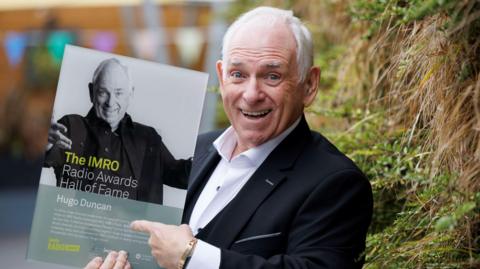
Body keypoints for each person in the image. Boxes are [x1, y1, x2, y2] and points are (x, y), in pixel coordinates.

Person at [85, 6, 373, 269]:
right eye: (238, 74)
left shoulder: (336, 183)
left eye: (272, 76)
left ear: (309, 85)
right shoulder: (196, 149)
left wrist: (192, 256)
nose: (251, 94)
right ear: (222, 77)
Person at [44, 58, 190, 204]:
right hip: (79, 224)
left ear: (130, 93)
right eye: (103, 93)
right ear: (91, 91)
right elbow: (48, 155)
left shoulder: (148, 138)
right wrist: (45, 142)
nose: (111, 102)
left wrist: (206, 156)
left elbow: (179, 175)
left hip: (137, 226)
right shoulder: (72, 127)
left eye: (118, 93)